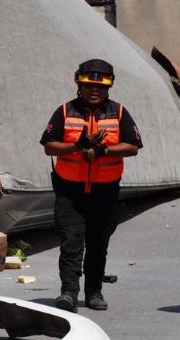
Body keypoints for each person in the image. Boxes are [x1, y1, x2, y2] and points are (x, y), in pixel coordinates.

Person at [40, 59, 142, 312]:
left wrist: (102, 150)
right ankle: (68, 292)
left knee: (98, 242)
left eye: (99, 86)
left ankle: (94, 291)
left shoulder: (119, 113)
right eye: (88, 85)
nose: (93, 90)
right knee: (71, 241)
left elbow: (132, 147)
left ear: (109, 87)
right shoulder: (64, 111)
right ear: (79, 84)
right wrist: (77, 146)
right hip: (69, 191)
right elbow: (48, 146)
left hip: (104, 192)